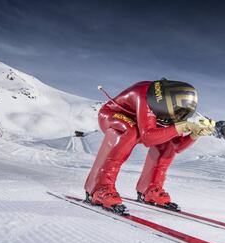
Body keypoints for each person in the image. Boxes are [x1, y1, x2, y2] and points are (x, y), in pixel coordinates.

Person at [84, 79, 214, 214]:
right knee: (130, 130)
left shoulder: (165, 108)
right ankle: (99, 187)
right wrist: (182, 127)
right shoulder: (145, 95)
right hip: (112, 115)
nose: (177, 116)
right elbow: (147, 138)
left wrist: (195, 135)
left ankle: (150, 189)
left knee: (168, 138)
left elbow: (176, 146)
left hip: (140, 124)